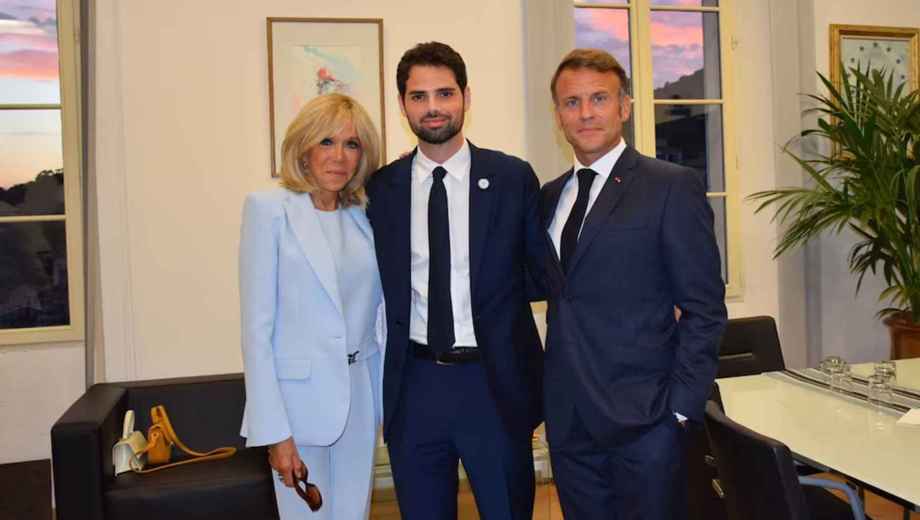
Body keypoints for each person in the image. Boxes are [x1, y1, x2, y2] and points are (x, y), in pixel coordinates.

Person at [540, 48, 728, 520]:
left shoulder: (671, 186)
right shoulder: (548, 197)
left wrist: (680, 411)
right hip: (570, 422)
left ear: (623, 107)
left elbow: (705, 309)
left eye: (598, 98)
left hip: (647, 423)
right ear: (558, 114)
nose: (585, 113)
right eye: (571, 102)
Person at [365, 41, 545, 520]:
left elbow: (543, 275)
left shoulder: (511, 178)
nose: (433, 107)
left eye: (444, 93)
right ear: (402, 103)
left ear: (466, 96)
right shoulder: (383, 189)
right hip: (416, 387)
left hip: (493, 385)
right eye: (419, 96)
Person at [238, 93, 384, 519]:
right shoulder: (269, 211)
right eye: (326, 142)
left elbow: (374, 318)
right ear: (303, 148)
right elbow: (256, 333)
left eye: (352, 144)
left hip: (359, 400)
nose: (339, 157)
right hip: (298, 407)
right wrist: (275, 434)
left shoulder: (363, 217)